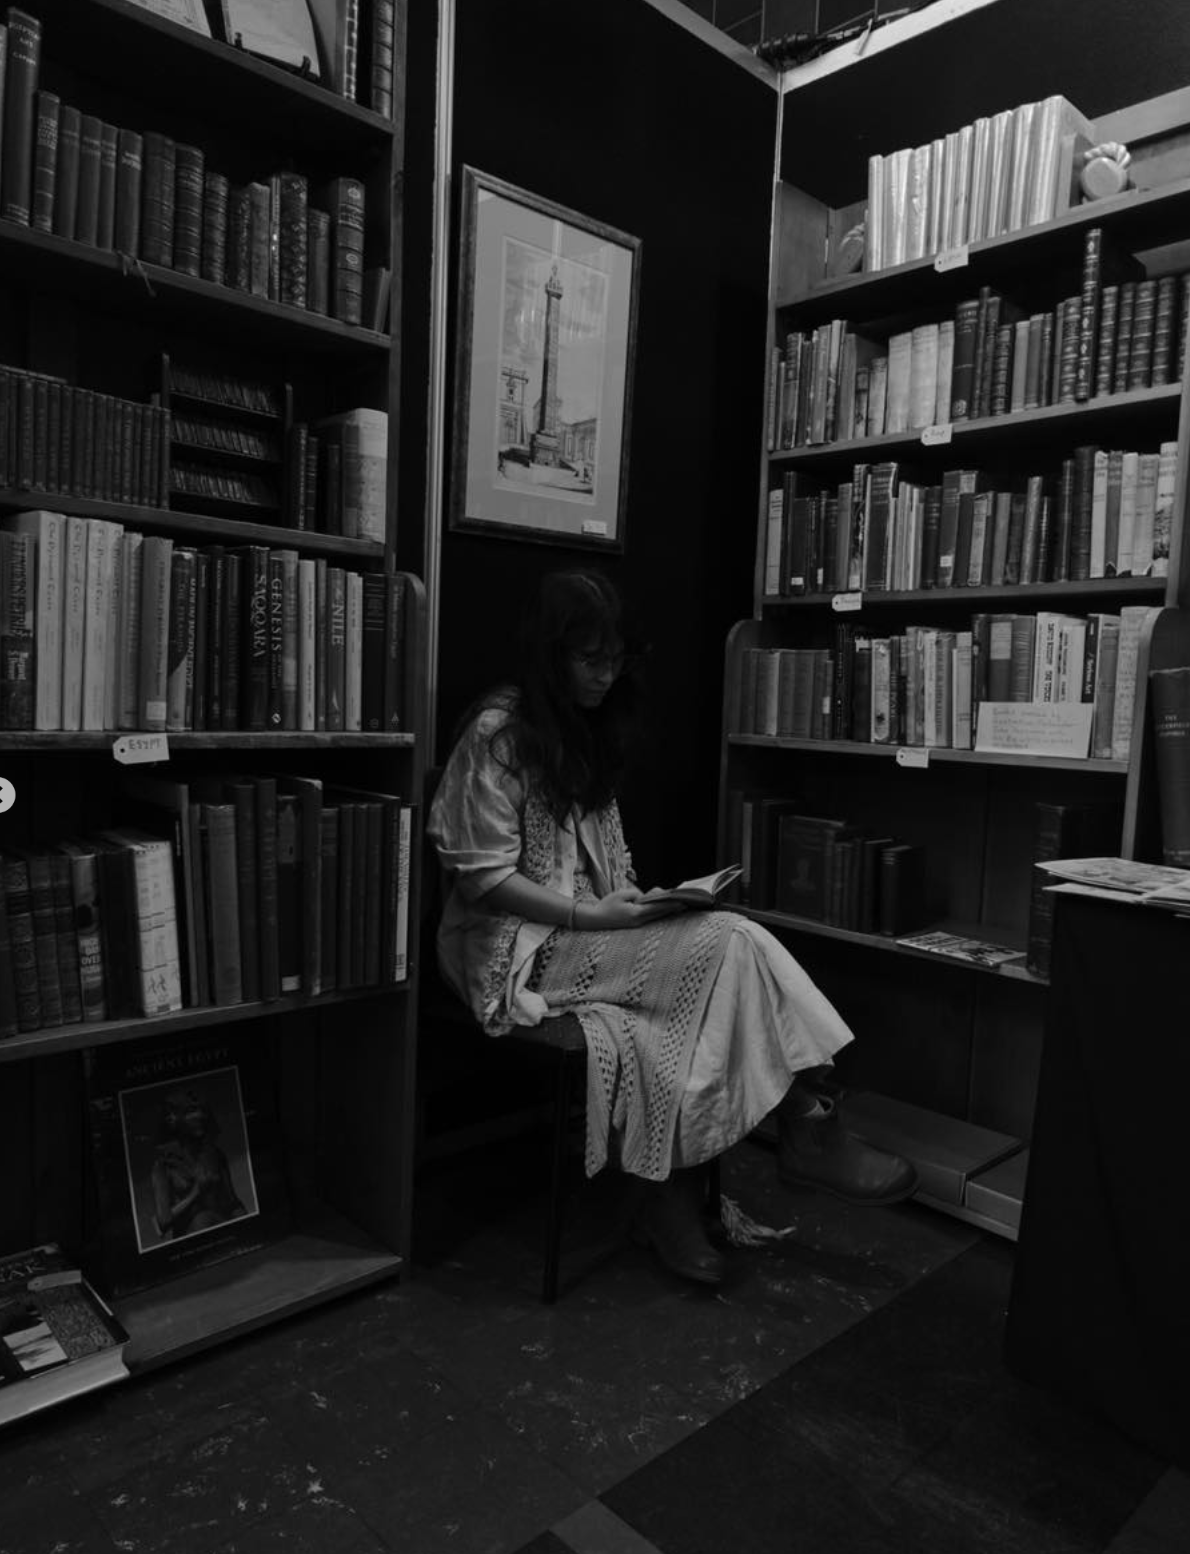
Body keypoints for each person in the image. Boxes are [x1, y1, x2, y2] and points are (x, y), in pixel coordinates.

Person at [428, 569, 916, 1286]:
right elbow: (483, 876)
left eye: (615, 659)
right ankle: (807, 1118)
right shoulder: (499, 734)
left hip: (590, 935)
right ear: (549, 655)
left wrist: (647, 909)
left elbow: (606, 864)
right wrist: (597, 915)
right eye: (588, 659)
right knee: (731, 941)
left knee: (704, 970)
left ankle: (673, 1197)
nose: (605, 675)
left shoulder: (586, 728)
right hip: (515, 951)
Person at [149, 1088, 247, 1242]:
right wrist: (196, 1193)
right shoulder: (163, 1166)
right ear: (172, 1119)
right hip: (194, 1243)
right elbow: (163, 1222)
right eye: (190, 1112)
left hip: (226, 1236)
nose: (200, 1116)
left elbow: (233, 1203)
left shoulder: (216, 1155)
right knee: (202, 1219)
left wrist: (248, 1226)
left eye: (201, 1110)